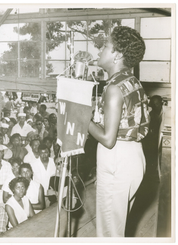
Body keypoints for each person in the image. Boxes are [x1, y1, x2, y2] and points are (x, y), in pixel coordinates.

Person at [88, 26, 150, 237]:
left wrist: (81, 117)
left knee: (109, 233)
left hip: (117, 159)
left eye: (105, 46)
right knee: (115, 229)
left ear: (118, 55)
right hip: (132, 157)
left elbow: (107, 139)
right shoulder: (130, 80)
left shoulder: (114, 88)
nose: (99, 50)